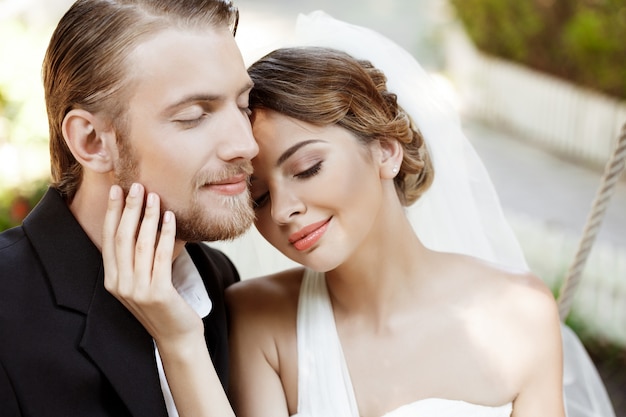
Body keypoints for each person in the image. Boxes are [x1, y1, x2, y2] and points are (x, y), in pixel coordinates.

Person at [102, 12, 571, 417]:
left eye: (307, 169)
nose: (284, 211)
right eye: (259, 197)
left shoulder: (521, 313)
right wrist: (179, 340)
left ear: (386, 152)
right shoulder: (260, 319)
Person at [0, 0, 258, 416]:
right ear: (91, 142)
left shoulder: (217, 277)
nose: (246, 144)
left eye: (245, 106)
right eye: (194, 116)